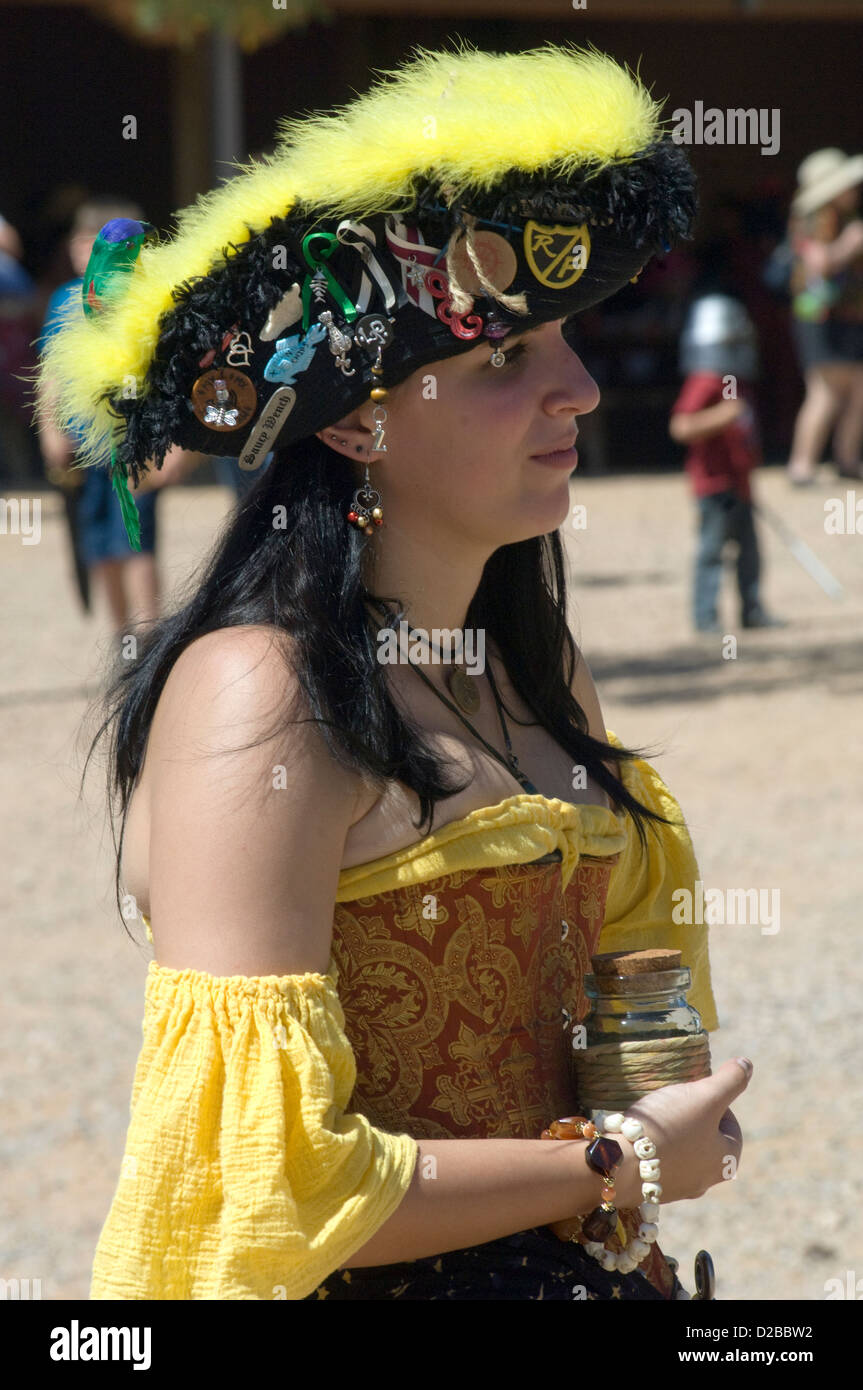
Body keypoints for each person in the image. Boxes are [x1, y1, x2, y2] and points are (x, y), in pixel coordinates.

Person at [38, 43, 750, 1302]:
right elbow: (269, 1188)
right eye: (503, 362)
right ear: (358, 417)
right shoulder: (259, 698)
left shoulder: (538, 676)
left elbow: (608, 1030)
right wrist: (618, 1156)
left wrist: (641, 1115)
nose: (579, 389)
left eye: (570, 343)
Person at [37, 198, 167, 639]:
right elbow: (50, 371)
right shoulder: (62, 299)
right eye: (78, 241)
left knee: (136, 540)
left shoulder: (142, 296)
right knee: (98, 546)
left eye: (91, 242)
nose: (82, 249)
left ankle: (150, 640)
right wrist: (50, 430)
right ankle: (124, 642)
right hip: (82, 441)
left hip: (131, 436)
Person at [671, 294, 784, 633]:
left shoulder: (736, 382)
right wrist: (722, 415)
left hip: (740, 482)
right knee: (712, 551)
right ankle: (705, 618)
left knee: (749, 551)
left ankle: (752, 611)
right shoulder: (704, 381)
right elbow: (681, 426)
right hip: (714, 484)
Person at [785, 149, 863, 485]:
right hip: (820, 318)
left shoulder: (847, 218)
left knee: (859, 389)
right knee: (825, 392)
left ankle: (847, 460)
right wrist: (850, 244)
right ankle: (802, 465)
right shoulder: (812, 220)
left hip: (849, 317)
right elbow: (820, 264)